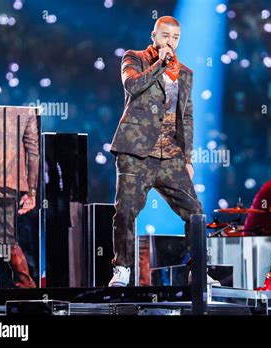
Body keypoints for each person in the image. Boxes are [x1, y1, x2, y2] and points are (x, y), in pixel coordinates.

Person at [108, 16, 203, 287]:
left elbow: (187, 115)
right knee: (126, 210)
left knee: (195, 212)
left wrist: (187, 158)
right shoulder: (134, 58)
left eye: (175, 38)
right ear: (154, 36)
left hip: (170, 154)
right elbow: (132, 85)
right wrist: (160, 63)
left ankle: (198, 270)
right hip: (136, 150)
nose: (170, 42)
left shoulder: (185, 73)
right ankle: (122, 269)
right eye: (165, 36)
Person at [0, 106, 39, 288]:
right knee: (6, 239)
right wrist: (31, 191)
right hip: (6, 182)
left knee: (6, 240)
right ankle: (27, 286)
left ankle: (27, 285)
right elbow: (33, 152)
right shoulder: (24, 113)